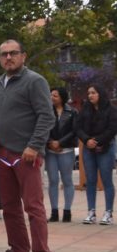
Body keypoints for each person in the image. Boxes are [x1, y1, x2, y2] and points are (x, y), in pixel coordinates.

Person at [0, 39, 55, 252]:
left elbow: (46, 116)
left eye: (13, 53)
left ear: (23, 56)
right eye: (4, 54)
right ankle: (18, 250)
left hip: (27, 154)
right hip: (2, 153)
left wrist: (34, 145)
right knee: (10, 205)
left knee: (33, 206)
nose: (8, 57)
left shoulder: (35, 81)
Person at [76, 84, 117, 226]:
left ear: (100, 93)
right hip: (88, 148)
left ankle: (108, 213)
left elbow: (112, 129)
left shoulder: (111, 110)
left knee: (106, 180)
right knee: (91, 180)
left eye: (93, 93)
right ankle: (91, 212)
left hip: (106, 147)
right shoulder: (85, 109)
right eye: (88, 93)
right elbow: (78, 127)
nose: (90, 96)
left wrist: (98, 141)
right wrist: (87, 140)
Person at [46, 87, 77, 223]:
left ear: (62, 98)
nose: (52, 97)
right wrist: (51, 142)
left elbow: (74, 131)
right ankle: (54, 212)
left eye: (55, 95)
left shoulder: (72, 112)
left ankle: (67, 211)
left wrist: (60, 143)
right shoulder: (46, 111)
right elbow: (42, 128)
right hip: (50, 151)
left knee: (67, 180)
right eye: (51, 95)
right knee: (52, 180)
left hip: (66, 150)